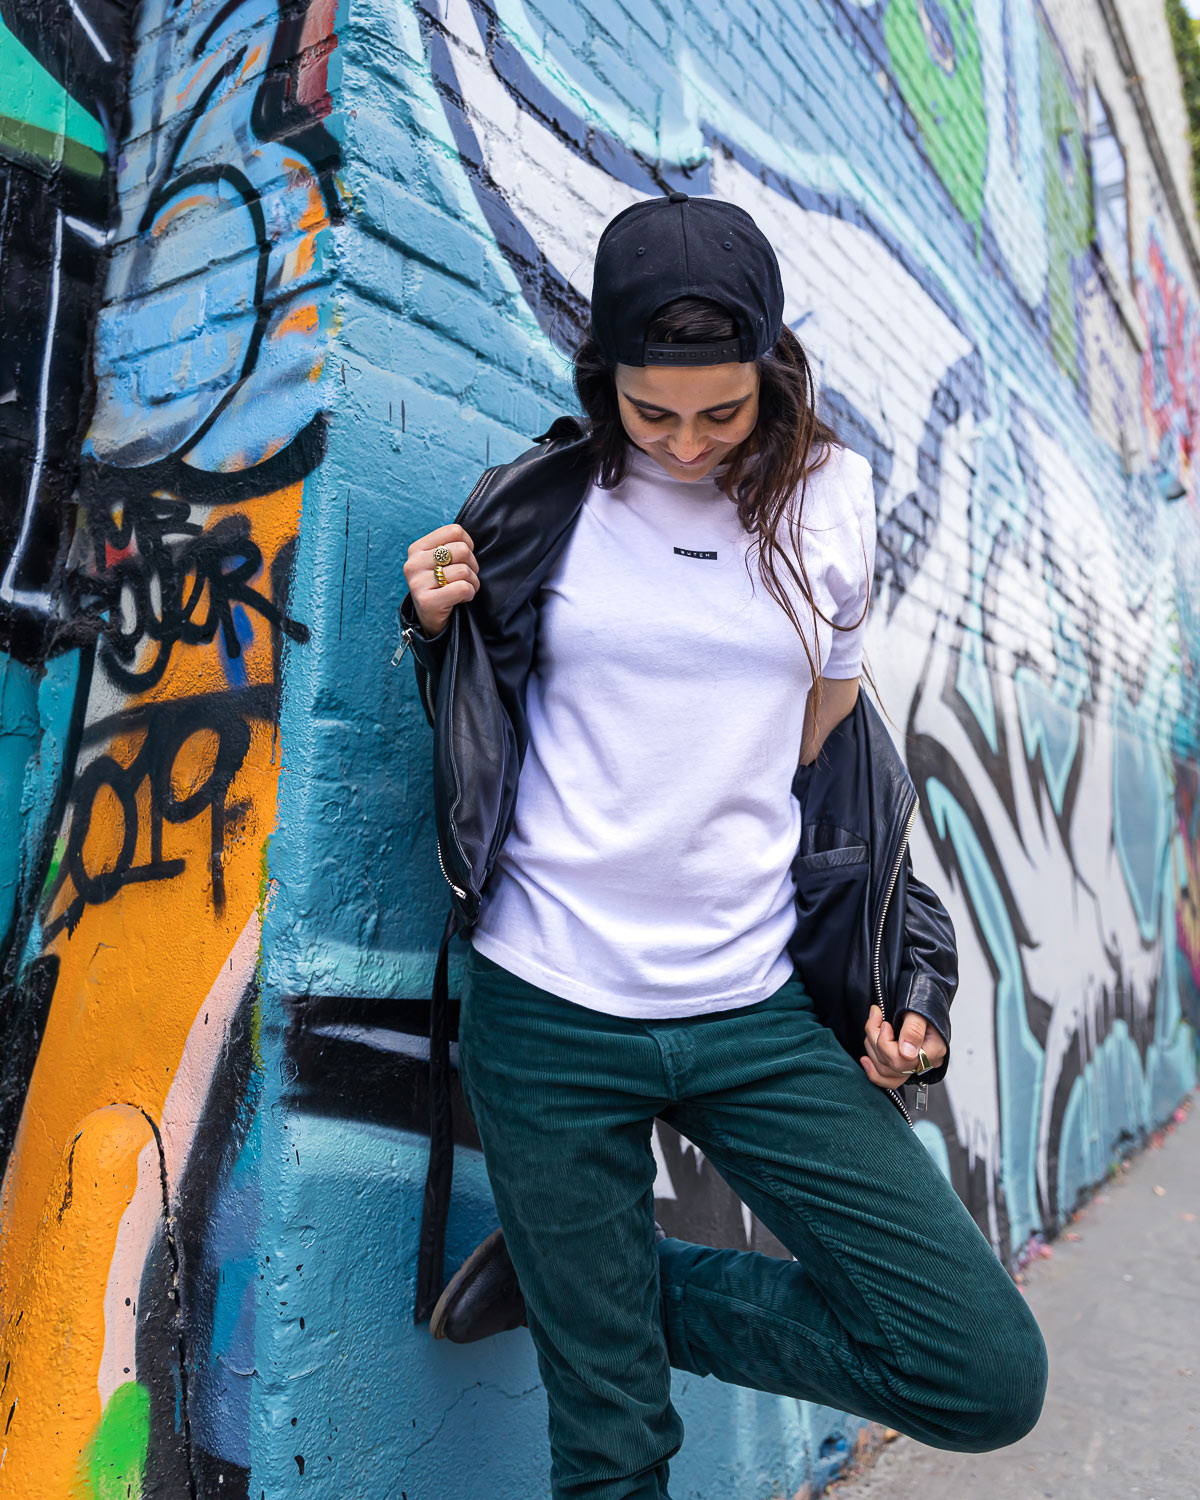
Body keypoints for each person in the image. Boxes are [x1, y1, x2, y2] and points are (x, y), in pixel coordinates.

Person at [399, 194, 1047, 1500]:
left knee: (978, 1369)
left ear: (769, 371)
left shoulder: (835, 503)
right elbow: (486, 721)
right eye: (652, 410)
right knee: (615, 1452)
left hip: (750, 1012)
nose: (685, 441)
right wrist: (434, 627)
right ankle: (592, 1300)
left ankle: (590, 1286)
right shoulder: (537, 506)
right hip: (550, 1010)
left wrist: (890, 978)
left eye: (719, 409)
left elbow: (830, 753)